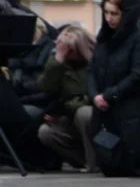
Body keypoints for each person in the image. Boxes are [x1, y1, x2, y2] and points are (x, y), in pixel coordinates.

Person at [89, 0, 140, 176]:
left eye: (114, 14)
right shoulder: (104, 39)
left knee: (133, 161)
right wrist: (94, 95)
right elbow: (92, 69)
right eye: (106, 13)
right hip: (106, 108)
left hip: (132, 109)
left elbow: (139, 75)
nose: (109, 18)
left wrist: (109, 94)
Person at [36, 25, 96, 173]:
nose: (67, 53)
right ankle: (82, 161)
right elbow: (45, 87)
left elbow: (92, 94)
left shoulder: (95, 61)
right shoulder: (58, 64)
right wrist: (58, 60)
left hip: (92, 114)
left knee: (84, 113)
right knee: (45, 132)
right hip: (69, 116)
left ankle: (93, 163)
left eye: (70, 49)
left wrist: (70, 107)